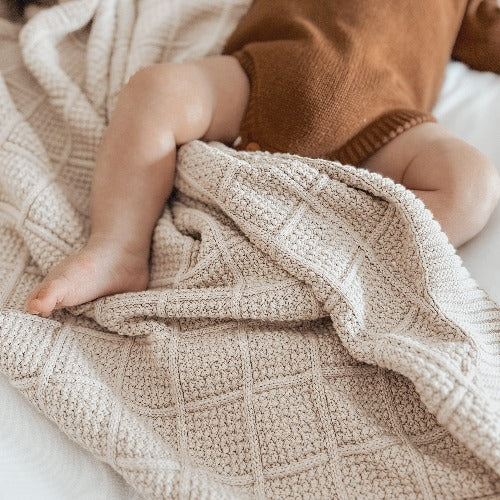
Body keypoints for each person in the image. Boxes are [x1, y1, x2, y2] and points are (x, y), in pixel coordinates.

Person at [26, 0, 500, 316]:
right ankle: (119, 247)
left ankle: (341, 267)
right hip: (265, 78)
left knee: (471, 185)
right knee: (155, 91)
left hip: (383, 123)